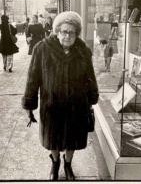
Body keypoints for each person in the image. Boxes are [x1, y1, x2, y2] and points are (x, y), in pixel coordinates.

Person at [22, 11, 99, 180]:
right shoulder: (42, 48)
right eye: (64, 31)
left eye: (72, 32)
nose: (68, 35)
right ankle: (55, 162)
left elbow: (90, 77)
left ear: (76, 34)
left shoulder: (83, 50)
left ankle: (68, 164)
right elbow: (32, 79)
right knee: (53, 137)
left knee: (73, 138)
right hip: (52, 104)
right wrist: (29, 105)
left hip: (77, 104)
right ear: (57, 31)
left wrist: (92, 98)